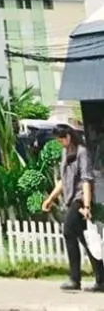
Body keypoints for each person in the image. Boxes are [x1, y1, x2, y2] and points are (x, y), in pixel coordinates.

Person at [42, 122, 104, 292]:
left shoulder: (82, 152)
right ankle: (102, 279)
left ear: (68, 137)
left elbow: (86, 180)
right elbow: (63, 180)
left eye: (61, 139)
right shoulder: (65, 152)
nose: (60, 142)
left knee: (68, 232)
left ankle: (74, 279)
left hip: (80, 200)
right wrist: (50, 198)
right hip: (70, 200)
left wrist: (86, 206)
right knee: (87, 240)